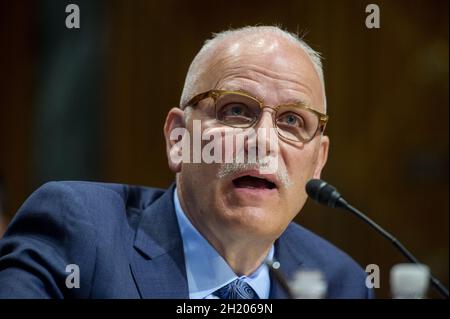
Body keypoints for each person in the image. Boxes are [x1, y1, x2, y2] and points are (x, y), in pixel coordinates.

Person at [0, 26, 373, 299]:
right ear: (178, 139)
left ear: (318, 160)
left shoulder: (343, 283)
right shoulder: (80, 234)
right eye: (237, 110)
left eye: (292, 120)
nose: (263, 142)